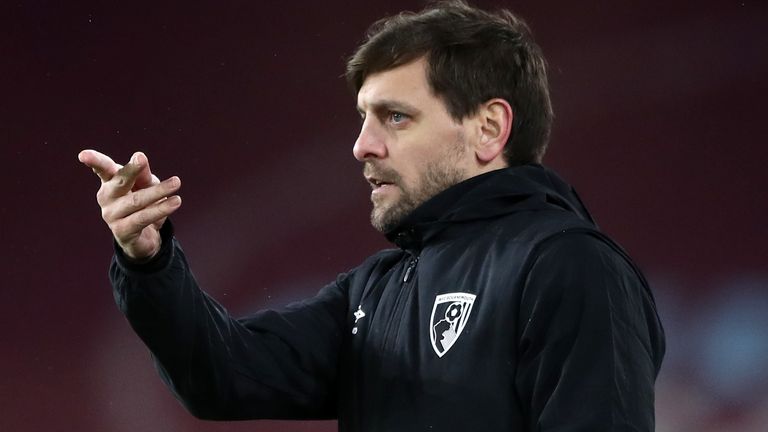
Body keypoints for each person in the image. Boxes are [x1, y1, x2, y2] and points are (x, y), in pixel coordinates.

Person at [79, 1, 665, 430]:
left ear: (488, 129)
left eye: (396, 117)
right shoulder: (376, 292)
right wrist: (150, 261)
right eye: (363, 118)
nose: (362, 146)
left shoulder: (570, 266)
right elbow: (225, 375)